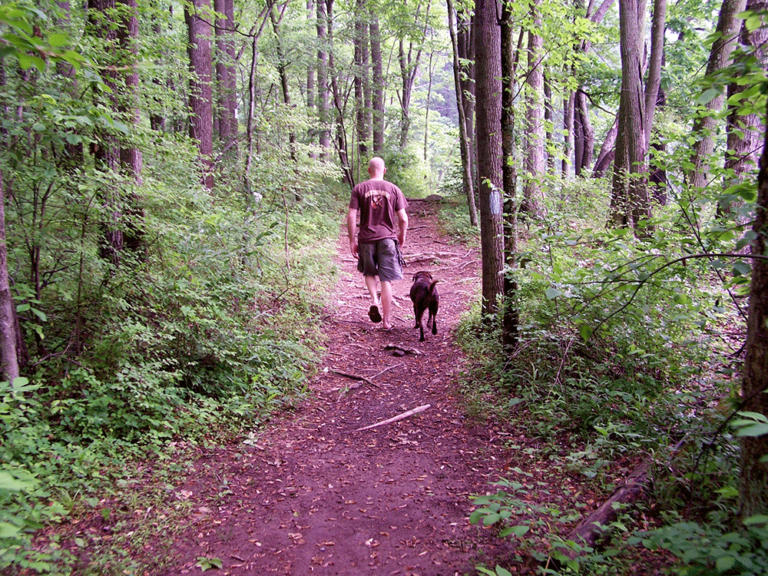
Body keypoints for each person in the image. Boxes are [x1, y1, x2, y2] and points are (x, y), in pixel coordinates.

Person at [346, 157, 408, 331]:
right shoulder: (394, 189)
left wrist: (352, 240)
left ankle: (374, 300)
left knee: (369, 271)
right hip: (388, 238)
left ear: (368, 170)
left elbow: (351, 216)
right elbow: (403, 218)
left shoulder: (359, 188)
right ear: (384, 170)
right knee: (386, 279)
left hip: (366, 238)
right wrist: (402, 236)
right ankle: (386, 322)